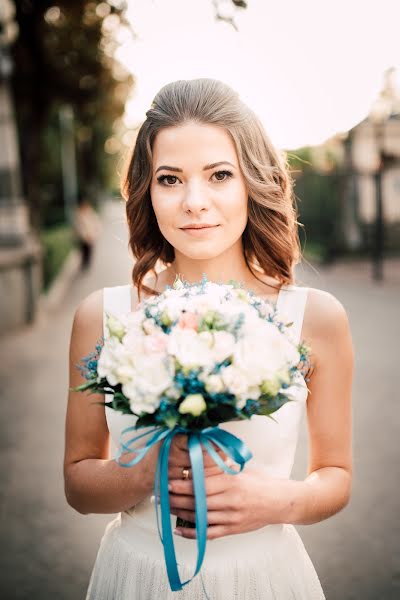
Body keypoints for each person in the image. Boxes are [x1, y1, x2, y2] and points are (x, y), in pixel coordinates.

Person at [64, 78, 353, 599]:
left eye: (220, 174)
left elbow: (335, 474)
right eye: (170, 179)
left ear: (252, 182)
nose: (194, 202)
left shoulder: (315, 318)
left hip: (263, 577)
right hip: (139, 577)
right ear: (147, 192)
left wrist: (275, 502)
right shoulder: (101, 317)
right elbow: (78, 484)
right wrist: (146, 471)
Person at [73, 194, 102, 271]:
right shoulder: (78, 214)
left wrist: (94, 234)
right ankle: (84, 264)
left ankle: (87, 264)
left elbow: (96, 222)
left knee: (89, 251)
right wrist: (84, 236)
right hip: (83, 237)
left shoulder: (90, 212)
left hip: (91, 236)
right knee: (83, 251)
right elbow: (78, 226)